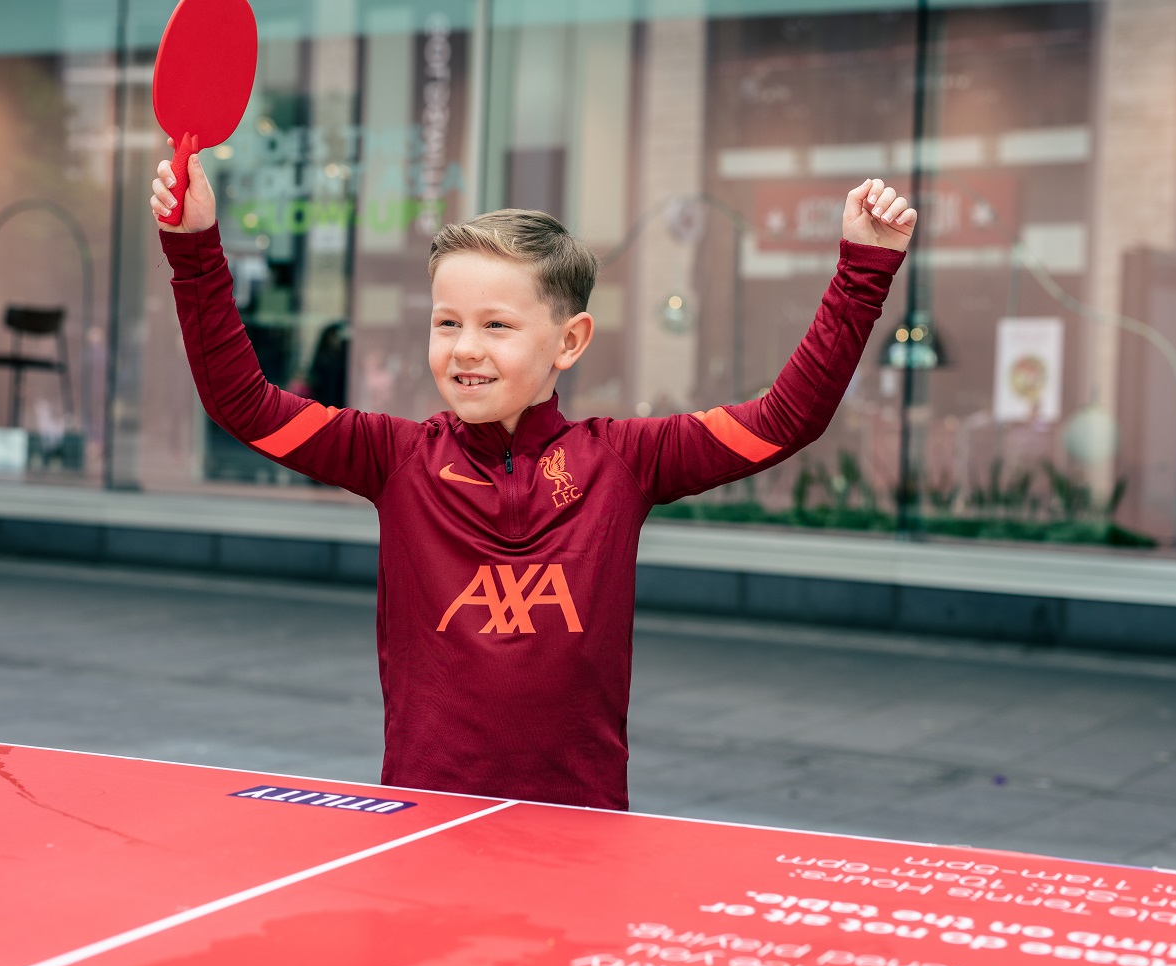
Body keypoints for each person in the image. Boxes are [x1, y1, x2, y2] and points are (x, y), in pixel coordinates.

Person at [153, 148, 914, 809]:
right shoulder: (393, 457)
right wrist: (195, 249)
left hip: (580, 828)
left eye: (497, 325)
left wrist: (862, 273)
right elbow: (243, 404)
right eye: (447, 323)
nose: (465, 349)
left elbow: (784, 420)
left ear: (570, 341)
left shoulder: (625, 461)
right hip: (421, 821)